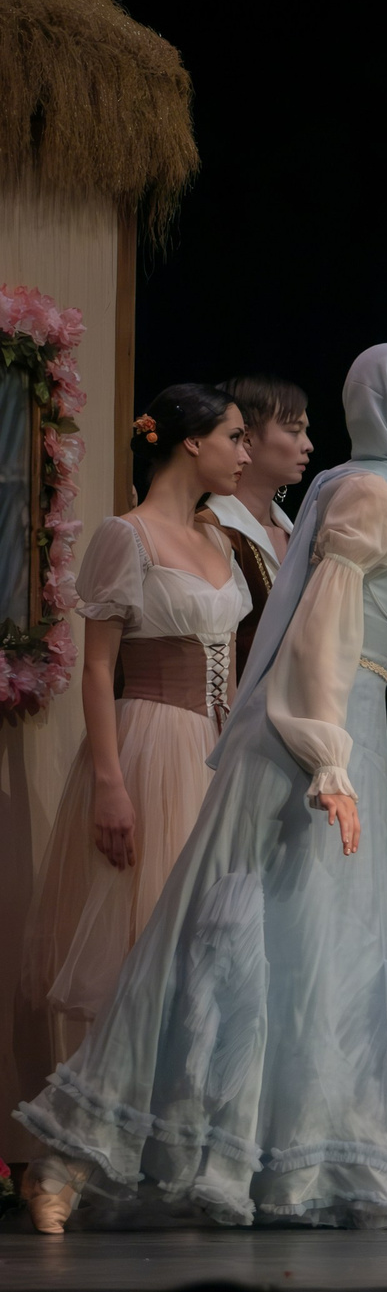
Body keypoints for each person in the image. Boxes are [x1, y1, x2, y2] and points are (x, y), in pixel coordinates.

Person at [18, 344, 387, 1230]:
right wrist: (327, 757)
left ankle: (291, 1166)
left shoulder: (383, 498)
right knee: (228, 947)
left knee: (314, 953)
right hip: (315, 737)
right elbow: (321, 630)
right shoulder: (369, 497)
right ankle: (80, 1155)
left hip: (347, 730)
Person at [23, 385, 251, 1069]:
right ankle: (97, 1138)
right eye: (234, 437)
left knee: (211, 947)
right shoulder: (126, 534)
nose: (243, 452)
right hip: (154, 740)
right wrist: (109, 783)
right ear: (191, 441)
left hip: (217, 748)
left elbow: (231, 665)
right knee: (145, 938)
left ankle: (174, 1137)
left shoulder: (217, 534)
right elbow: (99, 670)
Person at [202, 372, 312, 661]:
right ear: (245, 437)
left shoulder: (299, 531)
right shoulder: (211, 529)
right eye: (293, 430)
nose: (307, 444)